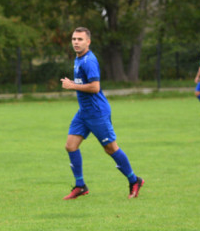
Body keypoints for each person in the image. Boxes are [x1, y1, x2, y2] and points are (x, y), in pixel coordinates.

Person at [60, 27, 144, 199]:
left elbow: (95, 87)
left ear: (88, 42)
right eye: (74, 39)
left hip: (97, 112)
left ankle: (134, 180)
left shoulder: (88, 61)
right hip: (84, 112)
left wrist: (72, 85)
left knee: (110, 148)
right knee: (70, 145)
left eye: (80, 39)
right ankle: (80, 186)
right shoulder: (78, 59)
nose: (76, 42)